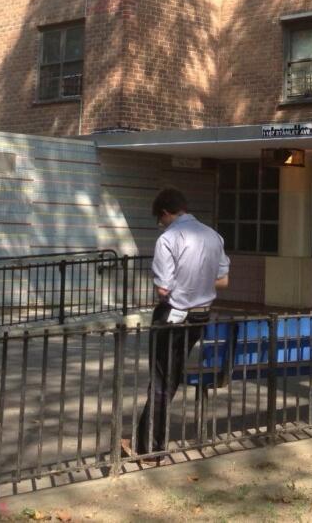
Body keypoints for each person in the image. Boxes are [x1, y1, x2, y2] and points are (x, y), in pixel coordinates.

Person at [123, 188, 229, 462]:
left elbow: (163, 288)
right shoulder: (213, 235)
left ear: (166, 213)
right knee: (170, 378)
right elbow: (223, 280)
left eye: (161, 219)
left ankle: (150, 447)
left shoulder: (168, 238)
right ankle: (146, 439)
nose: (162, 224)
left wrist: (181, 287)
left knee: (160, 380)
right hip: (201, 315)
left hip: (173, 314)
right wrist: (199, 283)